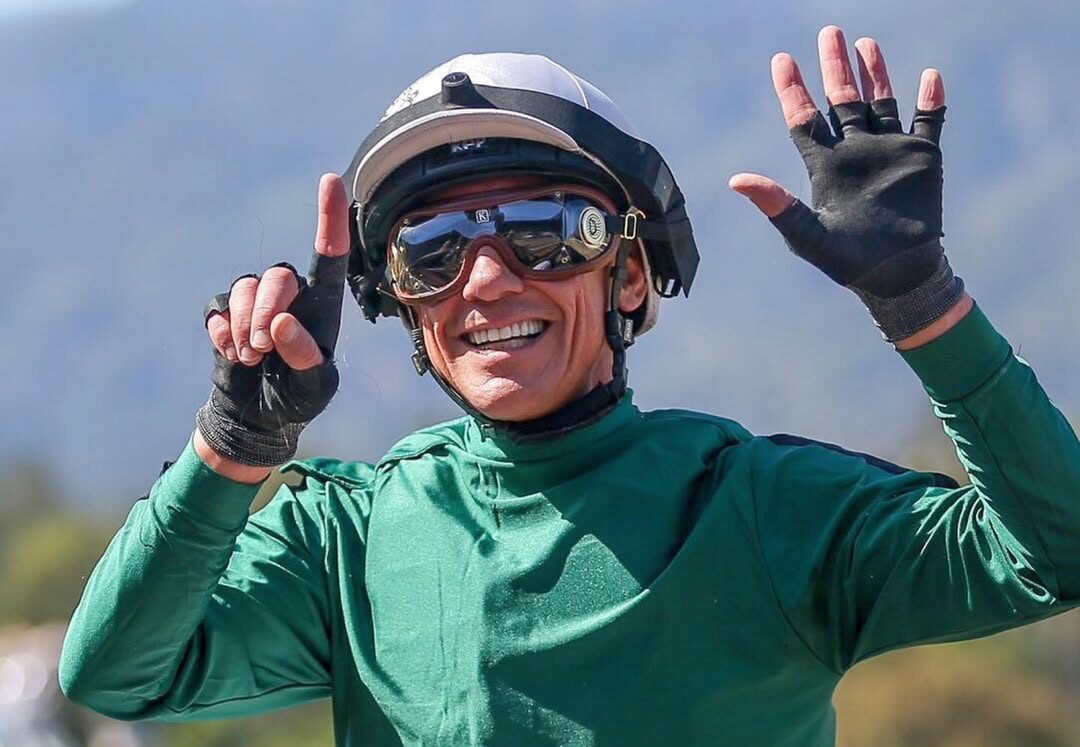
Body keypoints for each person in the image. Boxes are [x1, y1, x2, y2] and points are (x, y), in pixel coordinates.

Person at [59, 26, 1080, 747]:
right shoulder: (345, 534)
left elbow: (1058, 553)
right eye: (433, 247)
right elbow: (114, 673)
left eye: (549, 229)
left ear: (630, 273)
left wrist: (926, 307)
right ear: (407, 307)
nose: (490, 276)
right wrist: (234, 441)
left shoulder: (764, 507)